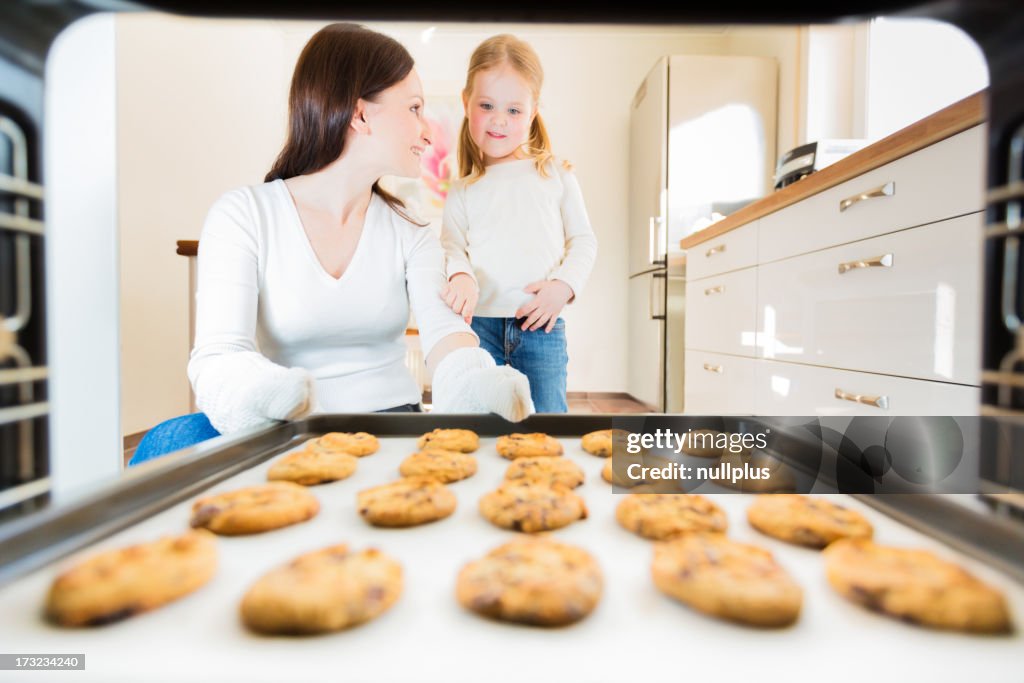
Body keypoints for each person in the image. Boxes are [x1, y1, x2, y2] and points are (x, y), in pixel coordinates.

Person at [129, 23, 534, 466]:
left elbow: (445, 335)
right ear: (360, 114)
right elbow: (219, 356)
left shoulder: (410, 230)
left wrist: (477, 383)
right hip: (285, 429)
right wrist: (280, 400)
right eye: (415, 108)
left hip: (391, 427)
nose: (427, 131)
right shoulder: (244, 214)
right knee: (167, 442)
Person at [439, 34, 597, 414]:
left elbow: (583, 241)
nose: (499, 120)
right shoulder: (461, 190)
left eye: (514, 110)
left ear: (533, 111)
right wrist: (460, 275)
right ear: (466, 103)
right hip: (478, 329)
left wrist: (563, 287)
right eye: (487, 105)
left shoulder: (556, 175)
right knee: (479, 422)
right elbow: (451, 248)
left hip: (540, 328)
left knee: (547, 423)